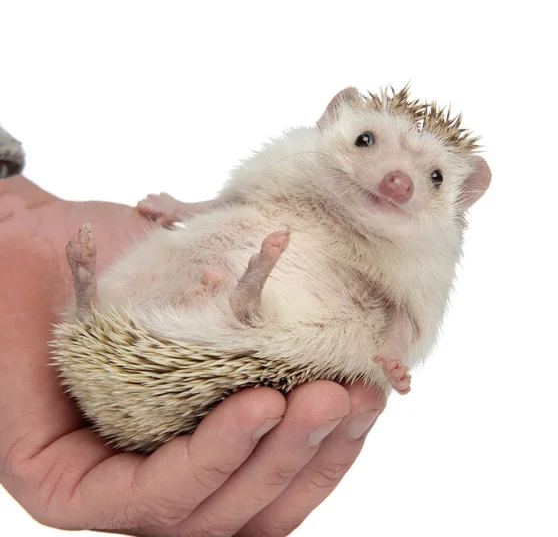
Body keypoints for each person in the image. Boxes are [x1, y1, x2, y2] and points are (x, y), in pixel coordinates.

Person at [0, 174, 386, 536]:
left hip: (198, 345)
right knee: (246, 331)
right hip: (210, 327)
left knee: (133, 317)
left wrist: (14, 209)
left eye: (434, 178)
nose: (396, 181)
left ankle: (94, 297)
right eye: (365, 141)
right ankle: (241, 294)